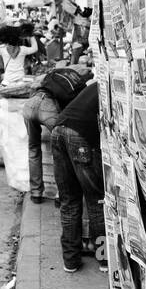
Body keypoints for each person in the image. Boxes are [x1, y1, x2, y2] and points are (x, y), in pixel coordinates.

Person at [52, 80, 104, 273]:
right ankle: (104, 258)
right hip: (79, 136)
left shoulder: (93, 86)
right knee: (96, 199)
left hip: (58, 130)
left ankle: (70, 260)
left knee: (69, 199)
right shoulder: (110, 86)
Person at [23, 65, 91, 204]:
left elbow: (35, 87)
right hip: (48, 109)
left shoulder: (54, 74)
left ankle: (36, 193)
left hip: (29, 105)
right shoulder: (78, 85)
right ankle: (60, 196)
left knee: (33, 148)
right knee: (61, 152)